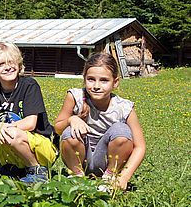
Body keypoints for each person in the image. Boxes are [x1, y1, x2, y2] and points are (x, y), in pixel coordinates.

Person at [54, 53, 146, 191]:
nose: (96, 86)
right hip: (81, 158)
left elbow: (140, 147)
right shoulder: (75, 97)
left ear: (115, 82)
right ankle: (77, 178)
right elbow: (58, 129)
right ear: (84, 79)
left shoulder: (124, 108)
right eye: (91, 79)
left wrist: (125, 176)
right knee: (69, 132)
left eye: (104, 80)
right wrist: (72, 119)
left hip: (107, 160)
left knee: (122, 131)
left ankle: (109, 179)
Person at [0, 42, 57, 183]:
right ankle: (12, 166)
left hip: (41, 146)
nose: (8, 67)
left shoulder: (29, 85)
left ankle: (37, 170)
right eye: (1, 64)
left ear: (18, 63)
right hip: (12, 140)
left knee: (11, 133)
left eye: (11, 62)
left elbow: (30, 123)